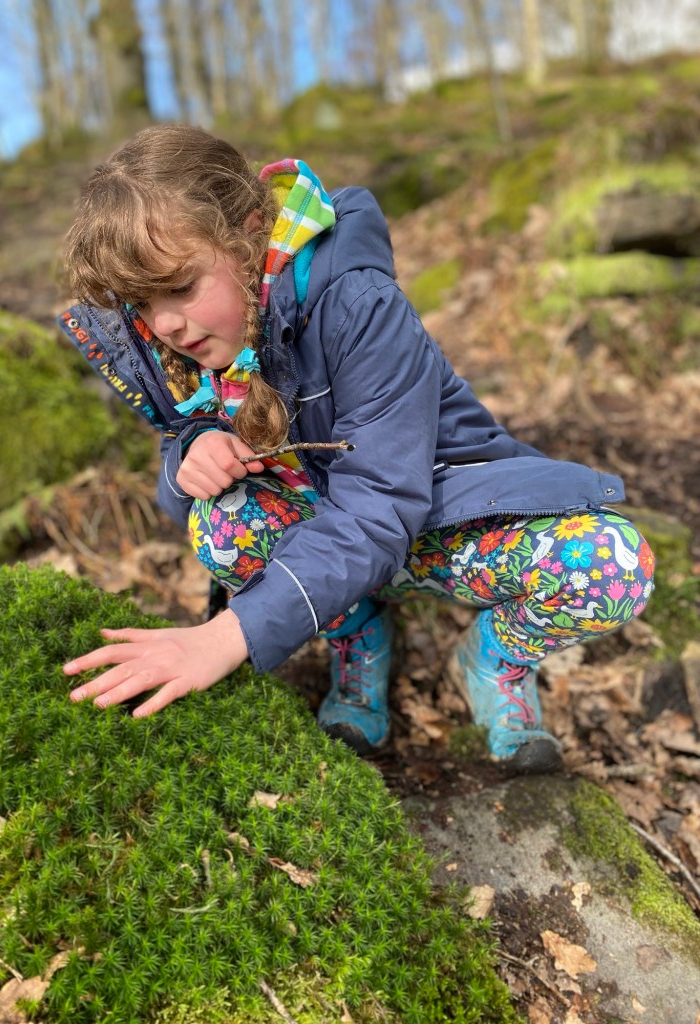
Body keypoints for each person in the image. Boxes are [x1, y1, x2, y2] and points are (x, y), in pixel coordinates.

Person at [59, 124, 655, 774]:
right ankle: (359, 634)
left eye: (179, 287)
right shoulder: (192, 349)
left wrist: (228, 637)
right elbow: (176, 489)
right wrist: (193, 452)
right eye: (143, 304)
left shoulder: (358, 306)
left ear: (249, 235)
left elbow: (380, 507)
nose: (166, 324)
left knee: (614, 564)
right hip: (332, 541)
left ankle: (494, 663)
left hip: (441, 521)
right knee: (220, 524)